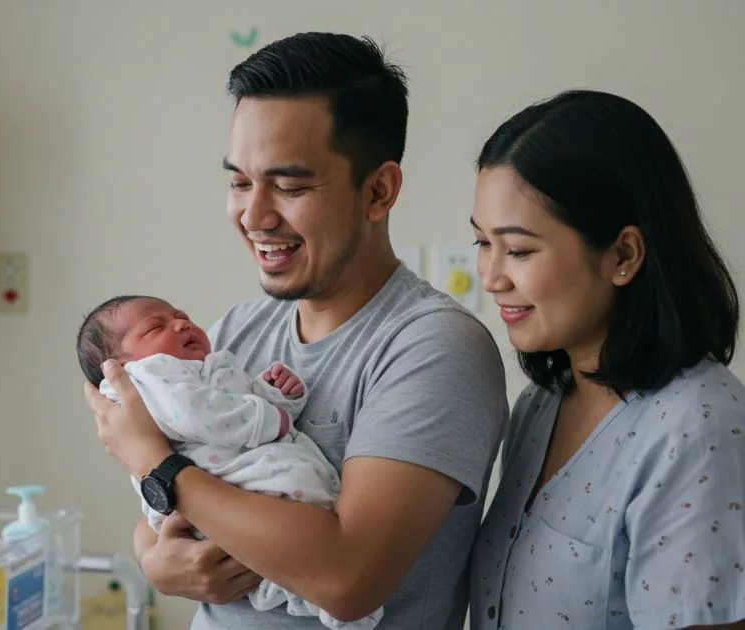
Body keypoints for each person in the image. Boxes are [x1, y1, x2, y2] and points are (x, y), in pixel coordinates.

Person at [83, 32, 508, 629]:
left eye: (289, 186)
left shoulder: (433, 348)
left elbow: (346, 579)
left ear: (379, 190)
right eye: (238, 182)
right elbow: (172, 503)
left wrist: (157, 467)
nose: (254, 216)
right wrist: (154, 560)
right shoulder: (236, 330)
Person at [466, 89, 745, 630]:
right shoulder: (541, 404)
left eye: (518, 249)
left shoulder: (701, 435)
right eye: (481, 243)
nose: (491, 277)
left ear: (623, 255)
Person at [75, 295, 378, 629]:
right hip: (225, 484)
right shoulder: (152, 375)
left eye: (181, 314)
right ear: (119, 365)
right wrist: (153, 562)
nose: (181, 323)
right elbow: (196, 415)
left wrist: (275, 396)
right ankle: (311, 597)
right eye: (155, 327)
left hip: (233, 490)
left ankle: (309, 596)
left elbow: (227, 409)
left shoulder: (198, 361)